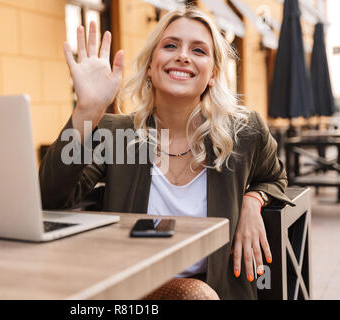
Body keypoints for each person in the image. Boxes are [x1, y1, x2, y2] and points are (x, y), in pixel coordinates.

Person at [39, 6, 294, 300]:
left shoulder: (245, 133)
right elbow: (49, 198)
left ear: (212, 73)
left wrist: (253, 201)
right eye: (170, 45)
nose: (183, 56)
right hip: (134, 288)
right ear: (150, 65)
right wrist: (86, 111)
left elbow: (275, 178)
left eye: (198, 50)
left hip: (216, 289)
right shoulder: (116, 133)